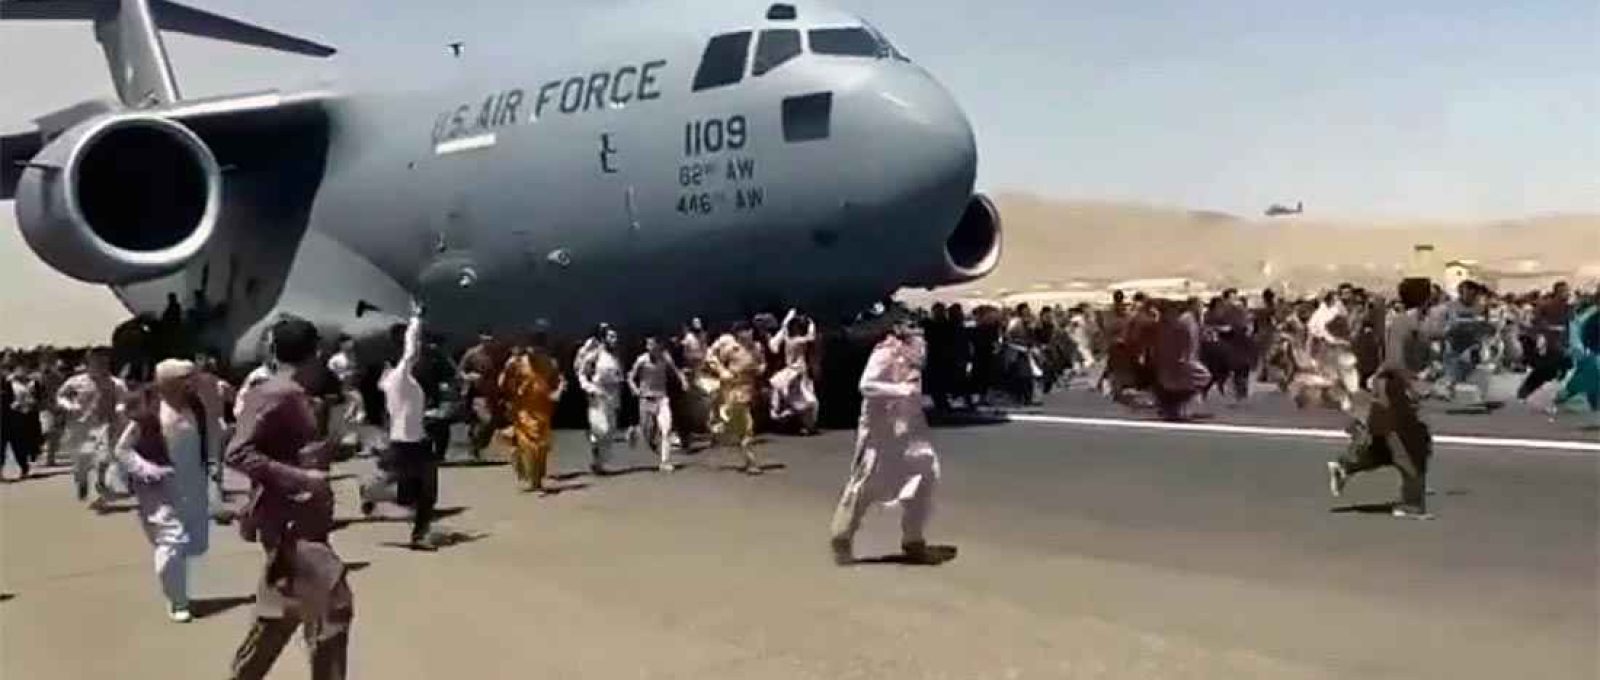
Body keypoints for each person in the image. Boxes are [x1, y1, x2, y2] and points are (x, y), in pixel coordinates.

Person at [225, 315, 352, 680]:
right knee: (333, 611)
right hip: (290, 526)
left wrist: (330, 452)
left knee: (282, 613)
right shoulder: (276, 394)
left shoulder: (290, 394)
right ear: (316, 353)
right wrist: (303, 477)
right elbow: (238, 452)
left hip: (296, 522)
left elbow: (282, 449)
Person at [829, 316, 945, 566]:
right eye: (918, 336)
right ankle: (842, 537)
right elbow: (866, 385)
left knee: (926, 474)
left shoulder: (913, 359)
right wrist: (899, 391)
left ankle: (913, 540)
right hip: (880, 431)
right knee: (867, 483)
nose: (922, 343)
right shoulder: (885, 353)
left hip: (910, 429)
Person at [1328, 278, 1436, 520]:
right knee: (1409, 447)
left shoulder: (1417, 322)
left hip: (1400, 390)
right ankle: (1410, 504)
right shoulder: (1402, 323)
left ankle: (1346, 465)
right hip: (1393, 392)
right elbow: (1395, 362)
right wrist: (1413, 384)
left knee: (1396, 445)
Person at [113, 360, 212, 622]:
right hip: (159, 490)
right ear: (167, 383)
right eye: (184, 378)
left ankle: (177, 585)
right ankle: (178, 601)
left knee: (195, 544)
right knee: (172, 543)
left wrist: (214, 468)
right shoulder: (150, 413)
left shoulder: (196, 407)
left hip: (193, 486)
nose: (191, 382)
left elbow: (208, 439)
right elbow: (122, 450)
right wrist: (147, 469)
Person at [363, 305, 440, 551]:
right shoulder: (400, 378)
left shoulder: (396, 381)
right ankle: (372, 493)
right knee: (412, 492)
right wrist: (416, 320)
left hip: (416, 441)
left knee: (423, 492)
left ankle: (419, 534)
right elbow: (410, 351)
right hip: (405, 444)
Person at [56, 348, 128, 509]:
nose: (101, 366)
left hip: (105, 425)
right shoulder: (76, 381)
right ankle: (81, 480)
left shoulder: (116, 383)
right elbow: (61, 395)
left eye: (104, 362)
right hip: (81, 427)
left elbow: (122, 400)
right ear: (88, 364)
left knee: (103, 459)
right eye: (96, 362)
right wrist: (70, 405)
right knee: (82, 460)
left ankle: (101, 488)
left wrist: (120, 409)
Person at [498, 326, 564, 493]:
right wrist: (507, 372)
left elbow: (559, 381)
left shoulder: (550, 363)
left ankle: (537, 479)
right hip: (523, 410)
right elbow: (504, 384)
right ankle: (530, 476)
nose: (535, 351)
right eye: (532, 347)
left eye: (539, 347)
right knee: (529, 445)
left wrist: (557, 392)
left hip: (543, 410)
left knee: (542, 447)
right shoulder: (518, 363)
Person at [706, 321, 768, 474]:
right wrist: (721, 371)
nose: (748, 334)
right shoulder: (730, 347)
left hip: (748, 388)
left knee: (742, 426)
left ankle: (748, 459)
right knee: (745, 425)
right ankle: (750, 460)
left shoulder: (757, 347)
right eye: (744, 331)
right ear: (739, 334)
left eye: (750, 331)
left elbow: (762, 363)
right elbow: (711, 357)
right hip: (732, 388)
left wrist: (760, 369)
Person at [577, 325, 626, 476]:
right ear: (604, 339)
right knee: (601, 429)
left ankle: (598, 464)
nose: (614, 340)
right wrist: (589, 388)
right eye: (611, 337)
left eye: (615, 337)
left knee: (610, 432)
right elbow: (582, 373)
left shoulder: (617, 357)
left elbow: (620, 376)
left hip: (612, 398)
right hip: (597, 397)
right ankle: (593, 439)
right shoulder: (595, 355)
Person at [629, 335, 683, 472]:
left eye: (652, 345)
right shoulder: (642, 360)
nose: (649, 348)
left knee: (666, 429)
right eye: (648, 345)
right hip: (646, 399)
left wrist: (683, 381)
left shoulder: (665, 358)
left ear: (658, 346)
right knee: (648, 433)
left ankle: (665, 462)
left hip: (662, 398)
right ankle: (636, 431)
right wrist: (634, 389)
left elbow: (676, 370)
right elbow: (630, 377)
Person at [768, 309, 821, 434]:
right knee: (807, 400)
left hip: (797, 372)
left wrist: (789, 317)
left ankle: (802, 423)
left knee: (800, 399)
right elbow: (811, 337)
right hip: (795, 373)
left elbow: (784, 328)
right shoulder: (796, 341)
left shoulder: (788, 338)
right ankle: (804, 424)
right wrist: (811, 323)